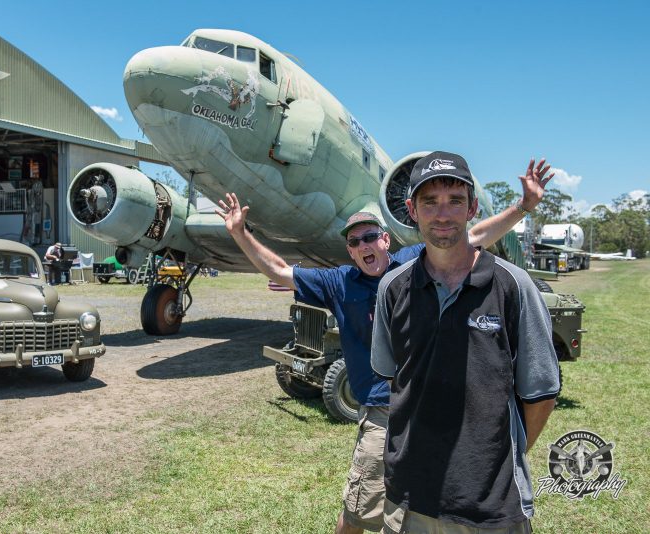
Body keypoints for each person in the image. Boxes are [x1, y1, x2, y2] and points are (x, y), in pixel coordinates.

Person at [217, 158, 551, 534]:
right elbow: (279, 271)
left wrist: (523, 207)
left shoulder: (413, 263)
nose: (364, 245)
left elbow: (472, 236)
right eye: (355, 241)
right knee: (358, 512)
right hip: (382, 415)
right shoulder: (338, 283)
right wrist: (240, 234)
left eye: (371, 236)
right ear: (350, 250)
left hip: (434, 416)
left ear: (386, 239)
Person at [371, 152, 559, 533]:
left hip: (492, 503)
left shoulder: (514, 285)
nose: (443, 214)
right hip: (412, 495)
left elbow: (540, 395)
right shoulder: (392, 287)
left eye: (455, 200)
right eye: (430, 202)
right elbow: (396, 378)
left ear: (473, 207)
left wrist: (499, 458)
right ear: (411, 209)